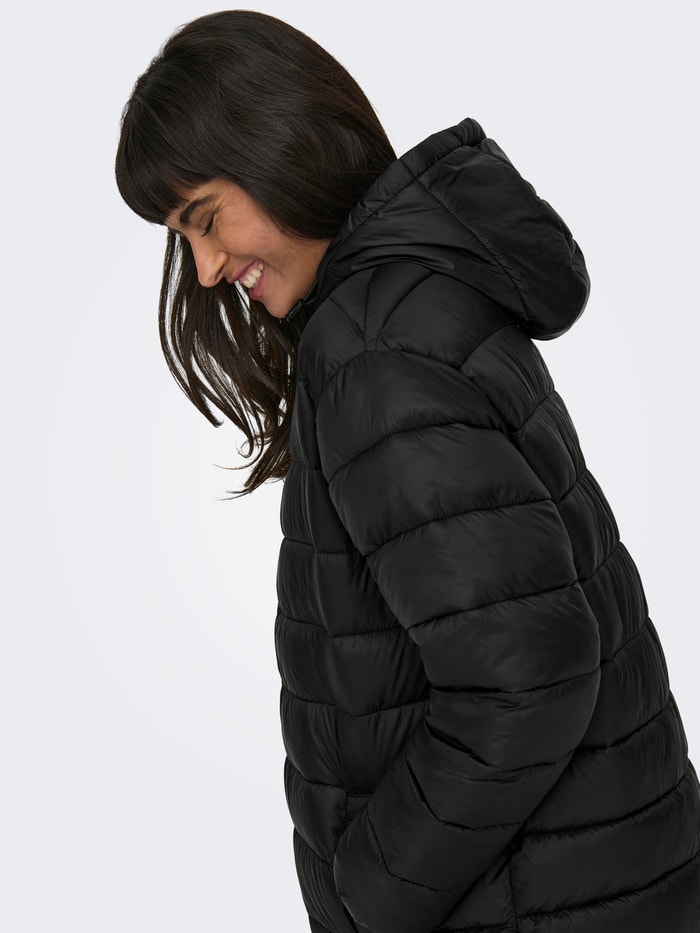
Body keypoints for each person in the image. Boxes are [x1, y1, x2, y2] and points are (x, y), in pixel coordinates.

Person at [115, 11, 700, 933]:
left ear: (281, 151)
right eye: (181, 238)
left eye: (207, 219)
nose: (207, 266)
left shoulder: (376, 352)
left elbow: (528, 673)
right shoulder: (413, 301)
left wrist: (369, 896)